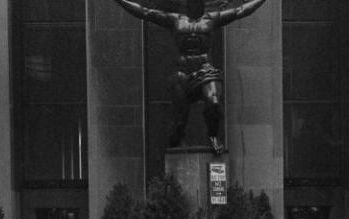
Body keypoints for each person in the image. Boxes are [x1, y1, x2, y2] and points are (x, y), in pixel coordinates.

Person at [111, 0, 268, 154]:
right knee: (180, 119)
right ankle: (176, 139)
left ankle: (213, 136)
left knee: (213, 102)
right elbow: (145, 12)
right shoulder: (176, 20)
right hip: (183, 71)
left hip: (205, 70)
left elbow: (240, 10)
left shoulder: (212, 19)